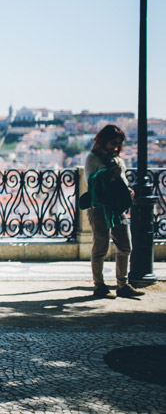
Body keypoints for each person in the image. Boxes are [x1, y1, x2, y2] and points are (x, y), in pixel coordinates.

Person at [85, 124, 144, 299]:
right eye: (113, 143)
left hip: (117, 208)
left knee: (126, 246)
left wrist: (127, 191)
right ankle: (99, 285)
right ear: (103, 140)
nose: (116, 147)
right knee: (100, 248)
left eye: (118, 143)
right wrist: (110, 176)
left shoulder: (117, 160)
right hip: (100, 208)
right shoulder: (92, 158)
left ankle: (122, 285)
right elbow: (93, 183)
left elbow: (121, 181)